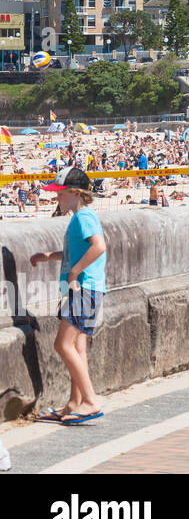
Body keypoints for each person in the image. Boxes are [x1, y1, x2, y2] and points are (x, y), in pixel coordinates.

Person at [28, 167, 107, 424]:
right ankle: (73, 404)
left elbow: (98, 246)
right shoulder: (79, 217)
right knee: (77, 347)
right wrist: (51, 256)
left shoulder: (83, 217)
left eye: (60, 194)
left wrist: (74, 272)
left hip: (82, 287)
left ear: (75, 193)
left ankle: (91, 401)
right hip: (84, 287)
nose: (56, 199)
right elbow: (80, 249)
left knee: (62, 345)